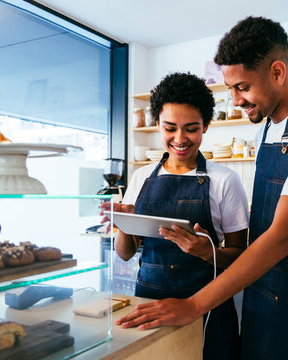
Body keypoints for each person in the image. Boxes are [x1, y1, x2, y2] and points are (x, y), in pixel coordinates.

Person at [116, 16, 288, 360]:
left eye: (242, 87)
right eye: (230, 88)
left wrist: (194, 304)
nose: (235, 100)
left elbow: (284, 237)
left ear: (277, 72)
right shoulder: (267, 130)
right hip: (263, 300)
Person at [101, 72, 249, 359]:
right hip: (147, 301)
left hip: (207, 305)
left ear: (206, 126)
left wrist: (208, 252)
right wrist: (125, 225)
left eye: (191, 129)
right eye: (170, 128)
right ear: (157, 124)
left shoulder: (225, 181)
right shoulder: (142, 177)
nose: (180, 139)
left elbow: (241, 258)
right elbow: (125, 254)